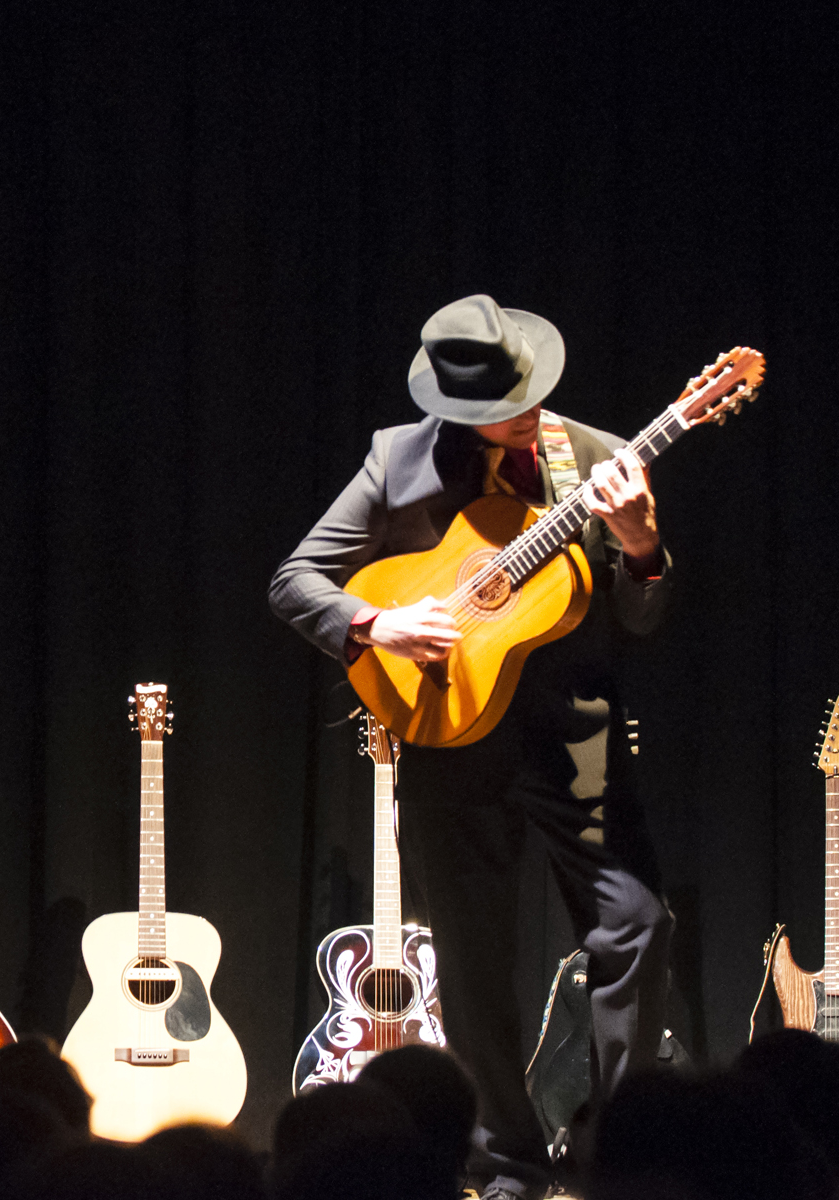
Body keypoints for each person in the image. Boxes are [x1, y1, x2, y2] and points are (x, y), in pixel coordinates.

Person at [269, 294, 675, 1197]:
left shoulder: (598, 456)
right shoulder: (396, 460)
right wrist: (377, 621)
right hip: (451, 733)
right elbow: (295, 581)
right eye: (500, 411)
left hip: (581, 737)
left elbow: (644, 618)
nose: (525, 420)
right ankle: (508, 1159)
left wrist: (642, 544)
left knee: (637, 926)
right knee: (472, 954)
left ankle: (621, 1151)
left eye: (528, 397)